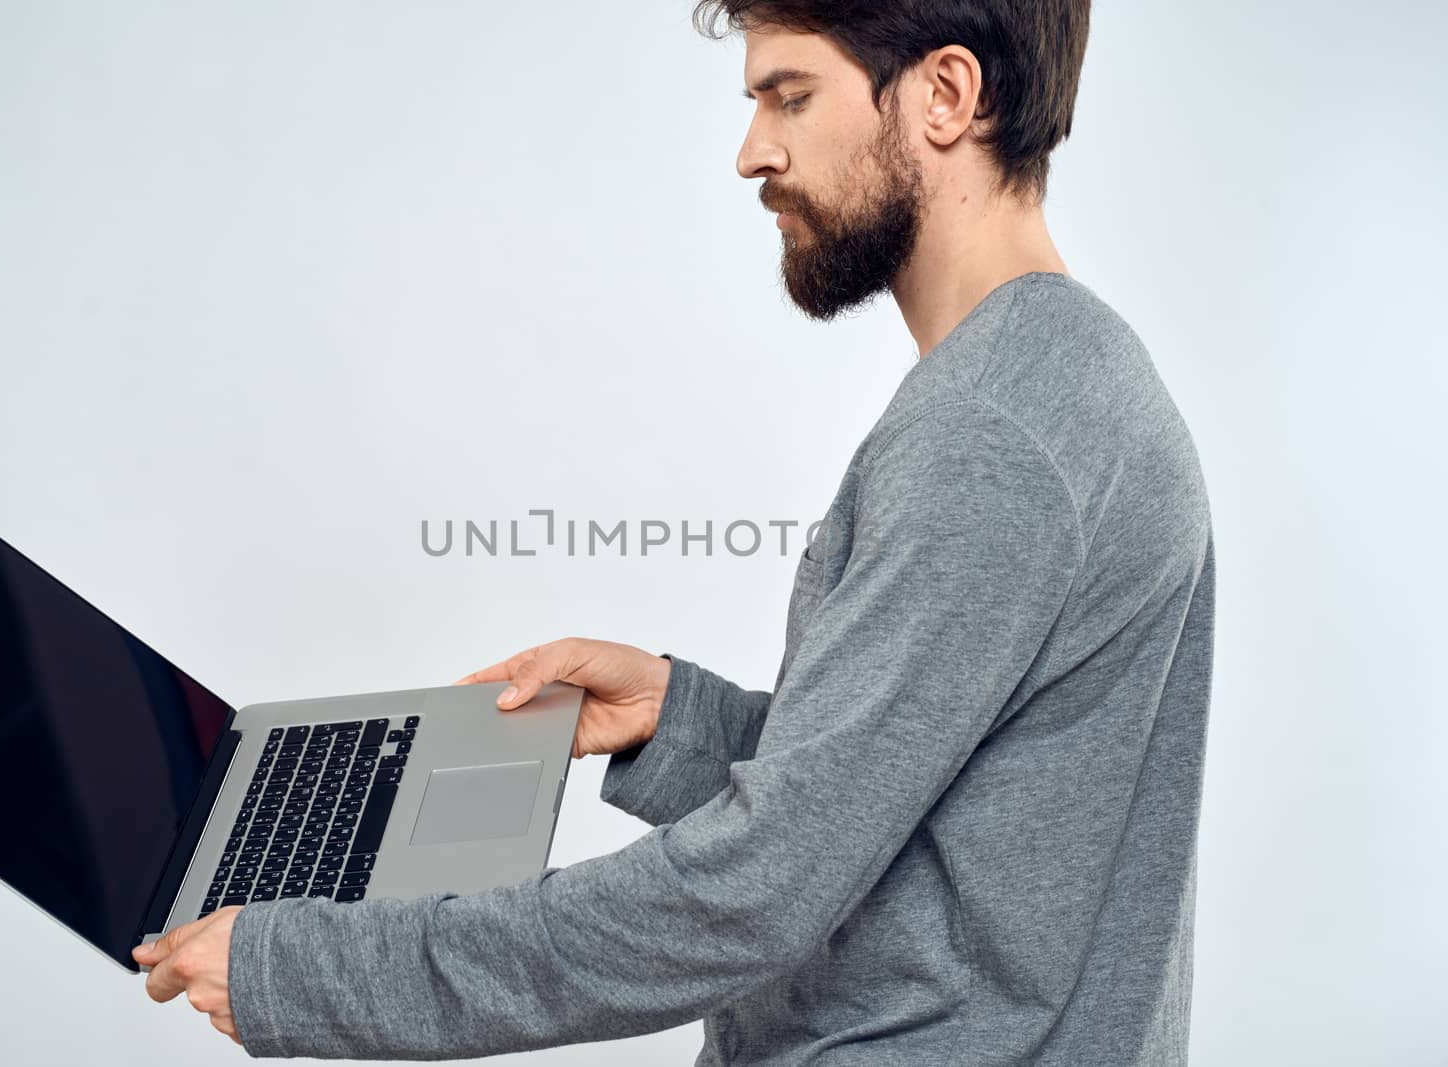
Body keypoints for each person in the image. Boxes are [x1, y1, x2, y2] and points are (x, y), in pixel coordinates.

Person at [135, 2, 1215, 1063]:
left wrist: (314, 973)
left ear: (944, 95)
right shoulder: (1067, 378)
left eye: (790, 98)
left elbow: (749, 895)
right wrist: (679, 720)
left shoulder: (990, 437)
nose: (753, 153)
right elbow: (920, 809)